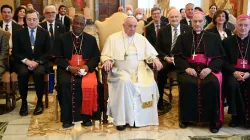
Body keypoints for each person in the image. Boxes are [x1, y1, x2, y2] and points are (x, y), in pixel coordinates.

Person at [101, 16, 162, 131]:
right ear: (123, 26)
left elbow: (150, 55)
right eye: (130, 26)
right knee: (124, 82)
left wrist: (155, 60)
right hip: (120, 71)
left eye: (135, 26)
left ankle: (142, 119)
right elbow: (105, 55)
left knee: (149, 84)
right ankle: (122, 120)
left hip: (140, 70)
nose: (133, 29)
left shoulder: (141, 39)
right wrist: (107, 60)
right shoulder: (112, 38)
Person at [172, 11, 224, 133]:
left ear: (205, 22)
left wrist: (209, 69)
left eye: (200, 21)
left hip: (207, 68)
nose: (197, 24)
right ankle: (186, 118)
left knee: (212, 83)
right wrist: (187, 68)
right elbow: (177, 57)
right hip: (189, 69)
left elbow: (219, 58)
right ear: (191, 22)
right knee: (187, 83)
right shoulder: (183, 37)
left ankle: (213, 120)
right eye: (195, 21)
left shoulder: (213, 37)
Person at [52, 14, 100, 128]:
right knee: (64, 83)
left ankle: (87, 117)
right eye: (76, 23)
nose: (78, 26)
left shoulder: (91, 39)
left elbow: (96, 57)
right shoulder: (62, 38)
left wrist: (87, 67)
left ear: (84, 26)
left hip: (85, 69)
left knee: (93, 84)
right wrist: (69, 67)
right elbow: (56, 57)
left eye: (81, 24)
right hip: (67, 69)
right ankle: (67, 119)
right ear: (72, 24)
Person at [12, 9, 51, 116]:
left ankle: (39, 102)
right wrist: (27, 61)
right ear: (25, 20)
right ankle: (24, 102)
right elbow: (15, 52)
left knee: (38, 73)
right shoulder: (18, 34)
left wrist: (37, 62)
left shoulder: (45, 33)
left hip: (40, 63)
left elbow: (48, 52)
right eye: (29, 19)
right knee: (23, 73)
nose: (32, 22)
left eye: (34, 19)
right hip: (23, 62)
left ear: (38, 20)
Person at [155, 9, 192, 109]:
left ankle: (187, 103)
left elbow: (191, 47)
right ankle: (160, 100)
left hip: (182, 60)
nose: (174, 19)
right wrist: (165, 57)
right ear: (168, 19)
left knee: (187, 76)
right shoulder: (163, 30)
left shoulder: (188, 29)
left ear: (180, 17)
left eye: (176, 16)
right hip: (168, 60)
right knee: (161, 72)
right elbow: (157, 48)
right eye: (172, 17)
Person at [222, 14, 250, 128]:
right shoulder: (227, 41)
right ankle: (235, 117)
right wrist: (234, 72)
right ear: (236, 26)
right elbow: (223, 60)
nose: (243, 27)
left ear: (249, 27)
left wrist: (249, 73)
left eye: (246, 25)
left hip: (249, 73)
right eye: (240, 25)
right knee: (233, 84)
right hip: (232, 72)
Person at [0, 5, 23, 72]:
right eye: (4, 12)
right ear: (1, 13)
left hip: (14, 55)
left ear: (12, 14)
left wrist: (12, 50)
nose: (7, 14)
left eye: (9, 12)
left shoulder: (19, 27)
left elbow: (21, 44)